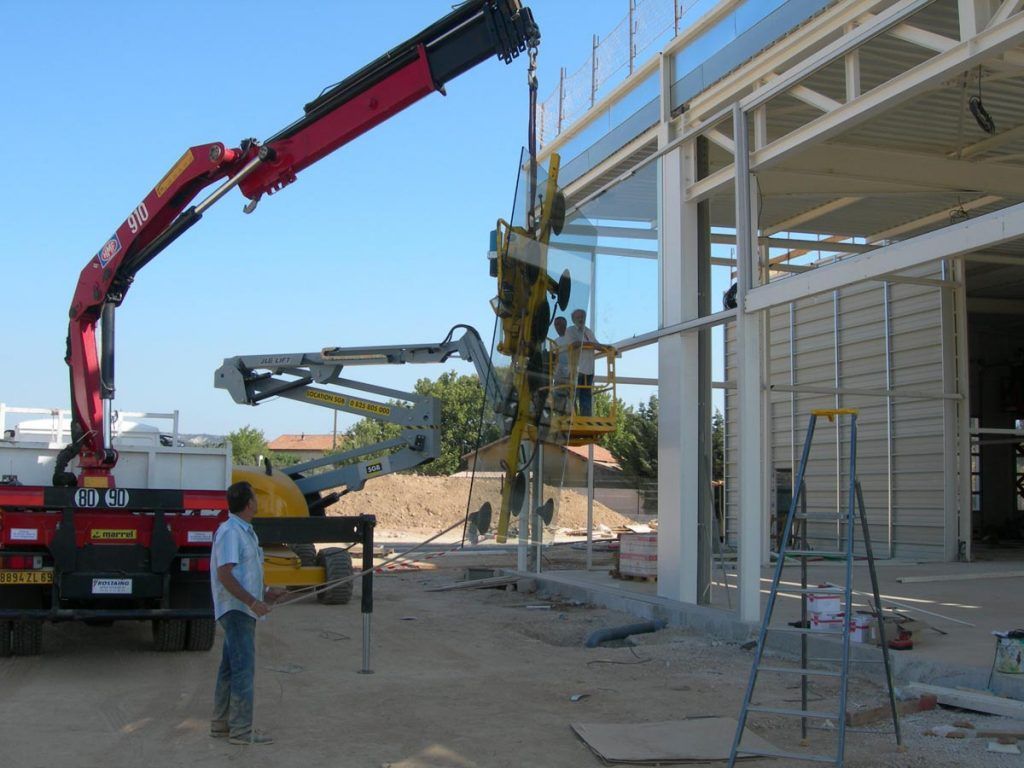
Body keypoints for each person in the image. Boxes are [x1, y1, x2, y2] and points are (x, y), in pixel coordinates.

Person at [210, 481, 285, 746]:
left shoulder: (244, 531)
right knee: (243, 669)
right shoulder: (231, 532)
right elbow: (225, 574)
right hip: (237, 609)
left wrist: (265, 592)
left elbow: (245, 573)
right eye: (255, 496)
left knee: (230, 667)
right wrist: (253, 602)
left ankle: (221, 724)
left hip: (241, 607)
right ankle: (241, 731)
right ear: (249, 503)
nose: (257, 500)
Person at [563, 309, 606, 416]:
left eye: (582, 317)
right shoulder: (570, 331)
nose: (580, 319)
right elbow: (574, 344)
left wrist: (609, 348)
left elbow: (597, 345)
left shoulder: (588, 331)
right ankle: (571, 418)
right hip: (576, 369)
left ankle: (585, 418)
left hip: (589, 369)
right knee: (573, 395)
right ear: (573, 320)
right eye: (578, 317)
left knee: (586, 395)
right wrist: (591, 344)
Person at [549, 316, 571, 416]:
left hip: (571, 372)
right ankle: (560, 415)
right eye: (556, 325)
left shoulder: (571, 338)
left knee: (570, 395)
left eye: (559, 324)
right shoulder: (555, 342)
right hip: (559, 374)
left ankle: (569, 414)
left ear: (565, 325)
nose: (557, 327)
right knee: (558, 394)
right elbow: (552, 358)